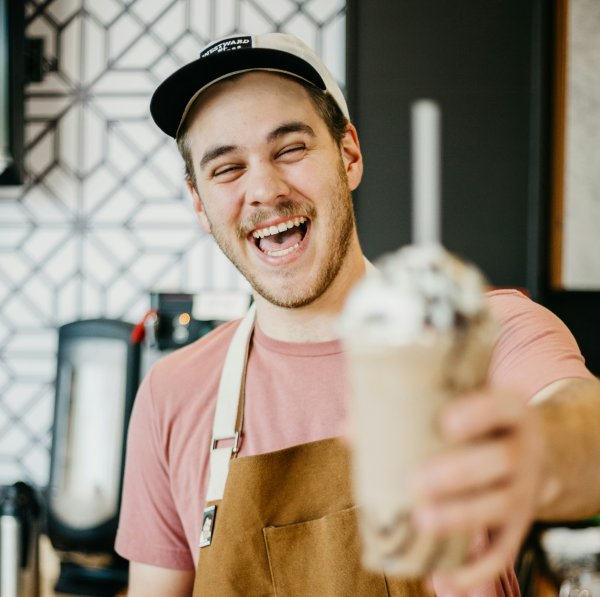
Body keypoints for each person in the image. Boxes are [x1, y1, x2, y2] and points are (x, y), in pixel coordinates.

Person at [115, 33, 600, 597]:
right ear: (200, 204)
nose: (266, 190)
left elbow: (585, 432)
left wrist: (522, 449)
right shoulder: (171, 395)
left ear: (349, 155)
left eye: (290, 148)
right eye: (226, 169)